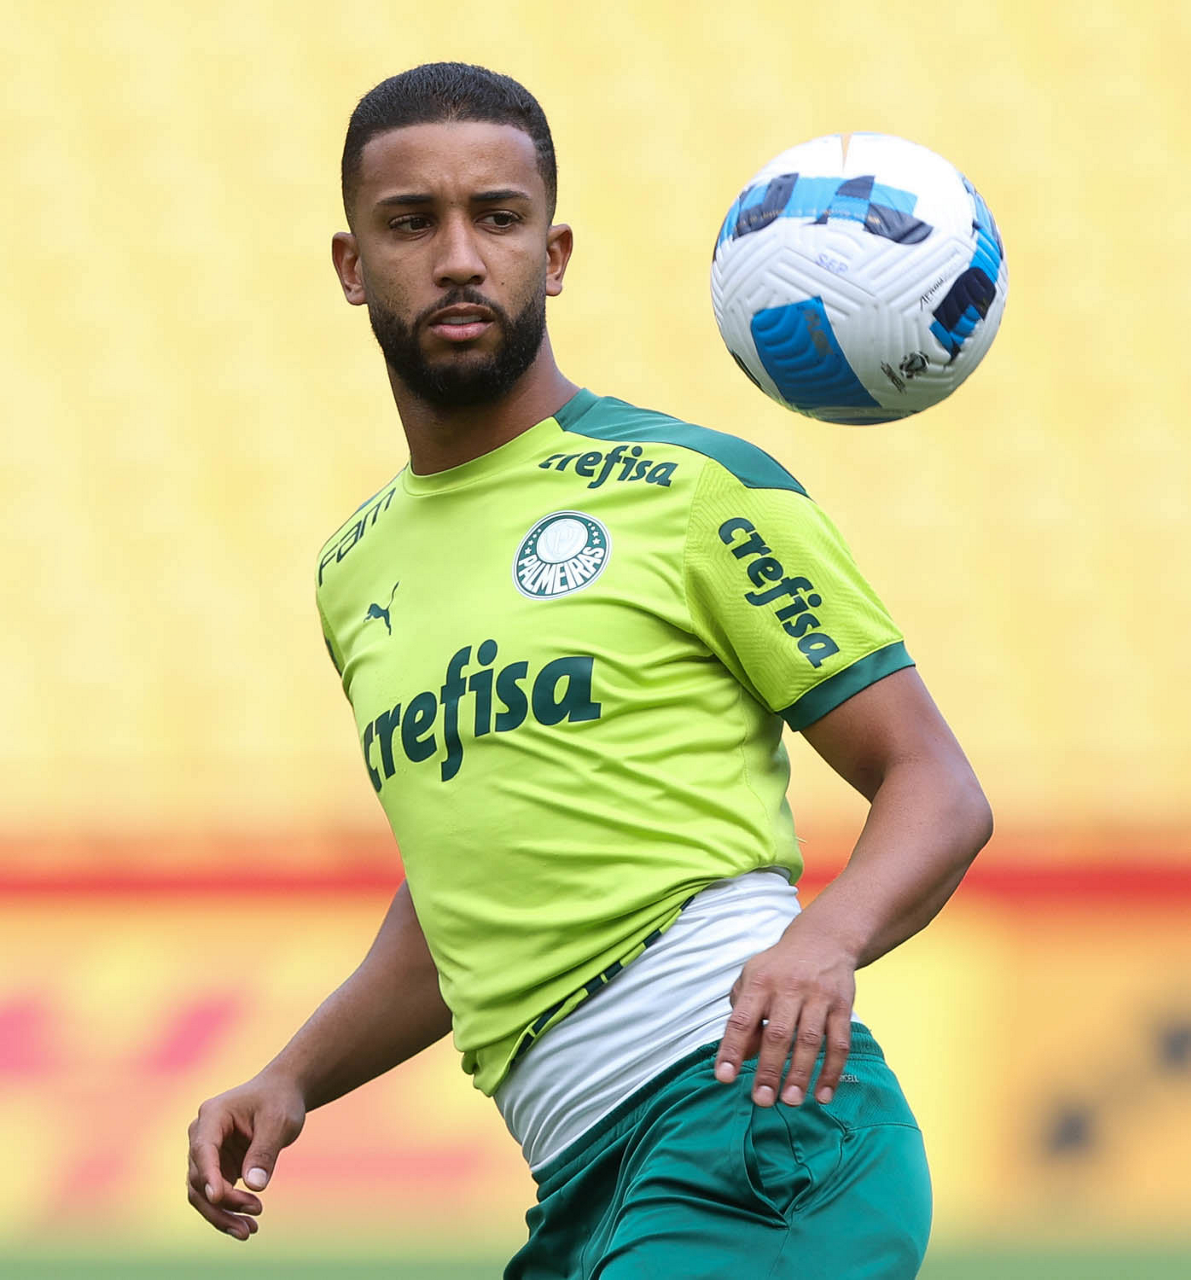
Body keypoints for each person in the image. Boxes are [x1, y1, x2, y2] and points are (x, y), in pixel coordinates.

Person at [186, 62, 992, 1278]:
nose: (460, 257)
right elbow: (463, 898)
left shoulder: (695, 489)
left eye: (498, 217)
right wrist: (293, 1075)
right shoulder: (354, 570)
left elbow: (936, 783)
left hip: (753, 1129)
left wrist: (825, 938)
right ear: (352, 266)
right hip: (581, 1181)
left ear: (553, 253)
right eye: (411, 223)